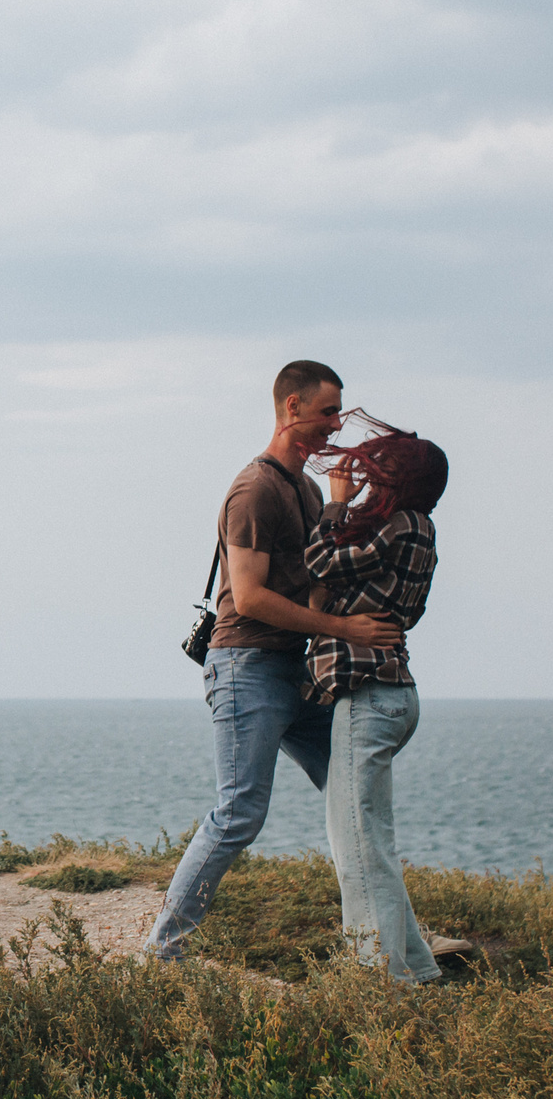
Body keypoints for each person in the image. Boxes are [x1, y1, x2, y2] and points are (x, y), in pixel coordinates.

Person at [146, 361, 405, 961]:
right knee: (239, 813)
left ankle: (387, 942)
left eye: (339, 413)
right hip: (246, 667)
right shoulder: (254, 489)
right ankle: (163, 952)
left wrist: (340, 509)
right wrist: (344, 628)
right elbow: (252, 595)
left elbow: (315, 573)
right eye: (327, 413)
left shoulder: (309, 490)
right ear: (292, 409)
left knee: (355, 798)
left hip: (295, 670)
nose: (336, 426)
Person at [303, 418, 461, 983]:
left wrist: (335, 506)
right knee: (370, 840)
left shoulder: (402, 526)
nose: (366, 480)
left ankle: (379, 986)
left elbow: (319, 563)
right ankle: (417, 969)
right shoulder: (418, 529)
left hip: (370, 696)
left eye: (377, 473)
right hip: (390, 693)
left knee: (359, 849)